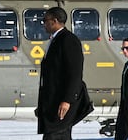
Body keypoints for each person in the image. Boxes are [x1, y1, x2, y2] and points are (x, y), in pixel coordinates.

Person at [38, 8, 92, 140]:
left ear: (55, 21)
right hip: (53, 102)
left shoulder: (68, 40)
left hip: (61, 102)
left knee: (55, 135)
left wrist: (67, 100)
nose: (43, 24)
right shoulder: (55, 40)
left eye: (45, 20)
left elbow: (74, 73)